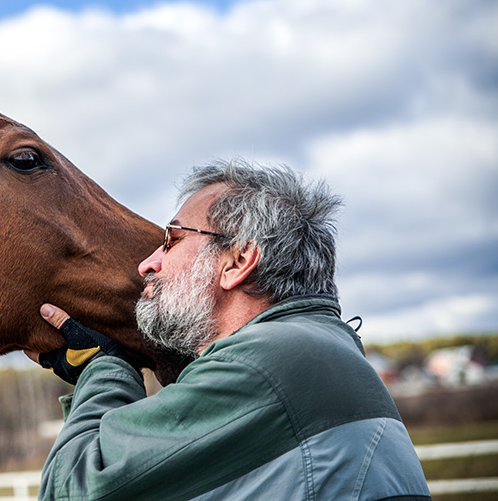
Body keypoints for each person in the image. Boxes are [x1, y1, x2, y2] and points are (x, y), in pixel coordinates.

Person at [26, 159, 431, 500]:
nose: (147, 263)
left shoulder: (269, 364)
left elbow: (74, 487)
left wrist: (100, 370)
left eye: (171, 240)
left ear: (238, 261)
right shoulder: (318, 352)